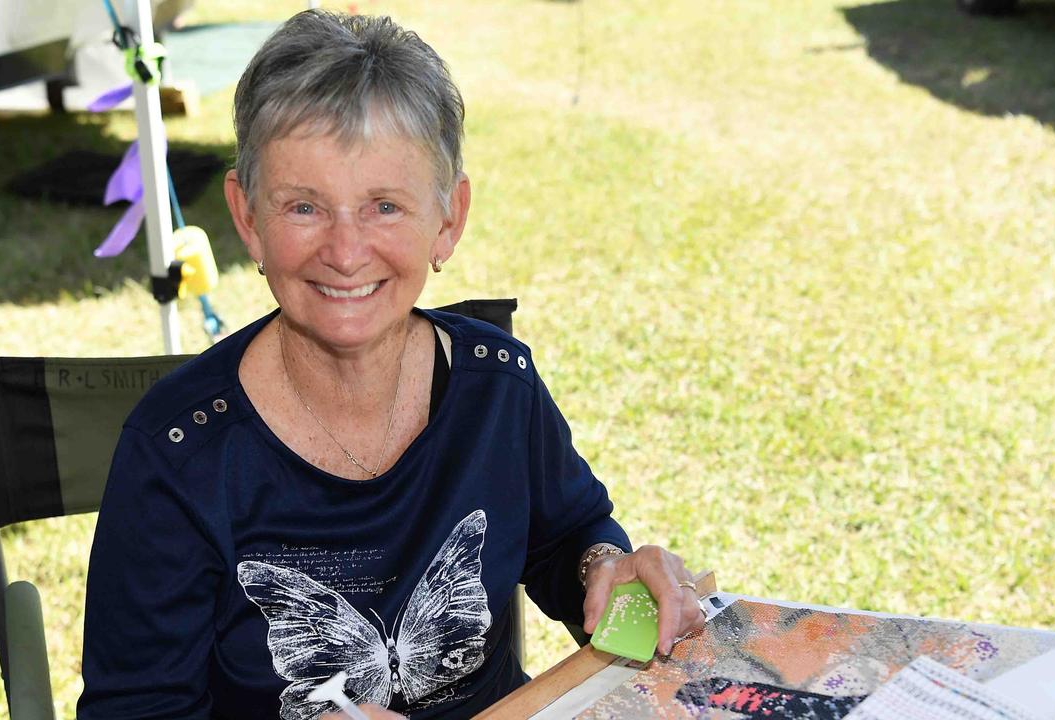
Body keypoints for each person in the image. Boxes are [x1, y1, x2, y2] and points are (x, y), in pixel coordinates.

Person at [78, 10, 704, 719]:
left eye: (383, 206)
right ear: (247, 217)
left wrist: (605, 569)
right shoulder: (177, 455)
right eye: (304, 207)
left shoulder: (496, 384)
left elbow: (567, 535)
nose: (346, 252)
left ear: (448, 219)